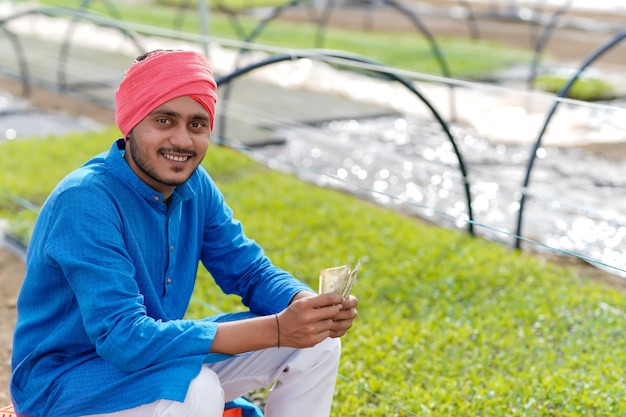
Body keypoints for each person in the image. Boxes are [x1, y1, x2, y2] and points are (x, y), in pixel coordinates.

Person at [10, 49, 359, 417]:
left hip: (155, 354)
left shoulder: (195, 186)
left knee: (317, 344)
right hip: (63, 383)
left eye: (197, 124)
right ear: (130, 126)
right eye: (164, 121)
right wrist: (276, 330)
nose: (182, 140)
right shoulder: (86, 199)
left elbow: (249, 271)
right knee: (195, 390)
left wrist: (305, 307)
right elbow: (123, 338)